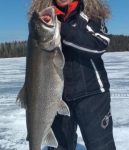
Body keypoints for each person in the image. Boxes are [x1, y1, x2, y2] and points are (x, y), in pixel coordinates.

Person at [29, 0, 116, 150]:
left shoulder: (89, 13)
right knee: (59, 147)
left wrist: (61, 28)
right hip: (56, 97)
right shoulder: (45, 18)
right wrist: (42, 26)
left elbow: (99, 45)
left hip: (92, 95)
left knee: (101, 146)